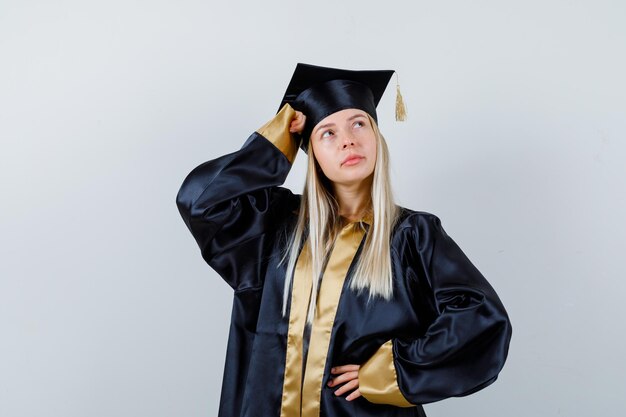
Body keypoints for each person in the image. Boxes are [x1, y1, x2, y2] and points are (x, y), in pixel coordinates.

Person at [176, 63, 512, 417]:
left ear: (376, 136)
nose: (348, 139)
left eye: (358, 123)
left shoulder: (412, 235)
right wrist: (278, 142)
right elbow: (200, 200)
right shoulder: (274, 228)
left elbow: (482, 319)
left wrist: (394, 370)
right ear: (311, 154)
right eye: (328, 133)